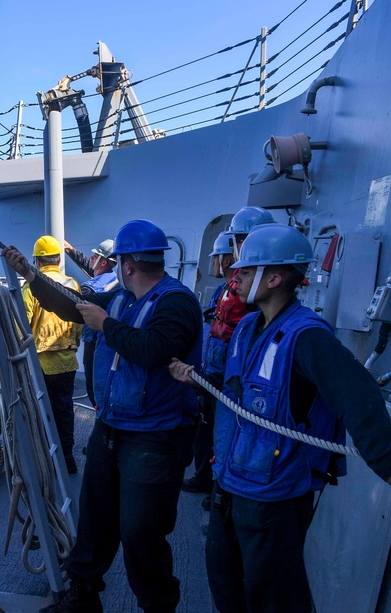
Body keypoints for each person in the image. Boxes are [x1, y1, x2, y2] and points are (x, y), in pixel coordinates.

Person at [168, 223, 391, 613]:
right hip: (230, 485)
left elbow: (359, 398)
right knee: (226, 585)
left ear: (274, 278)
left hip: (273, 500)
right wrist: (198, 379)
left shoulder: (308, 338)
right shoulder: (250, 327)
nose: (234, 277)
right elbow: (237, 389)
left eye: (247, 271)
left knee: (275, 599)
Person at [4, 219, 202, 613]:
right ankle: (84, 593)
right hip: (113, 428)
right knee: (95, 517)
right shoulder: (122, 298)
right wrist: (29, 273)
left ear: (127, 265)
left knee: (141, 530)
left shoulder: (176, 303)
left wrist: (106, 326)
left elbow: (154, 350)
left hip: (156, 437)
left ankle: (158, 605)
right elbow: (70, 304)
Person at [183, 210, 273, 498]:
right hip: (218, 373)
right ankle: (211, 483)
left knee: (226, 436)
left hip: (231, 381)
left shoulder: (253, 301)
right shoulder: (229, 291)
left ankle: (218, 490)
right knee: (210, 432)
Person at [23, 235, 84, 474]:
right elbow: (78, 321)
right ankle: (67, 457)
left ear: (37, 261)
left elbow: (22, 325)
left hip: (40, 364)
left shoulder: (31, 287)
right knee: (64, 408)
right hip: (68, 361)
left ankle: (44, 462)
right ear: (58, 259)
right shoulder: (72, 284)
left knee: (40, 411)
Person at [64, 239, 119, 407]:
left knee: (93, 386)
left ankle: (100, 418)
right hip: (109, 340)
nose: (91, 258)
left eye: (94, 256)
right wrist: (71, 250)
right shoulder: (114, 279)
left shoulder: (90, 288)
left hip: (93, 344)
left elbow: (74, 307)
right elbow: (91, 268)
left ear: (103, 262)